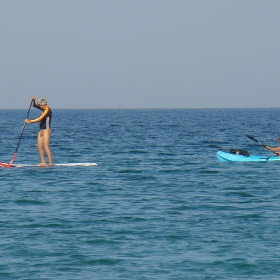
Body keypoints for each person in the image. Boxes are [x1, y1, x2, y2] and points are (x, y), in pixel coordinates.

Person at [25, 96, 53, 166]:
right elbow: (34, 105)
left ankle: (50, 163)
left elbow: (40, 119)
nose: (40, 107)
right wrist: (33, 100)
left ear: (44, 104)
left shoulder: (47, 110)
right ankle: (43, 162)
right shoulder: (42, 108)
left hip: (46, 130)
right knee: (39, 146)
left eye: (40, 105)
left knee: (46, 147)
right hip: (41, 130)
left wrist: (30, 121)